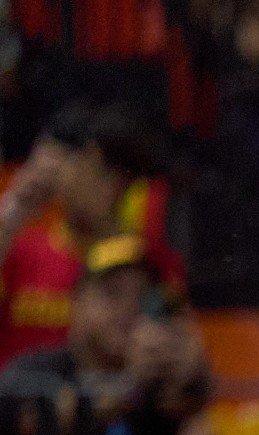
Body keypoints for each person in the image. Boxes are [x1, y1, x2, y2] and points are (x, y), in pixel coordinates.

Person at [0, 233, 208, 435]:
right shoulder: (35, 370)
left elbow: (189, 399)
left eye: (142, 298)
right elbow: (44, 419)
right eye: (112, 293)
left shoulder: (150, 379)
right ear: (78, 301)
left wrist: (192, 364)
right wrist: (129, 388)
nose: (128, 308)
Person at [0, 102, 184, 368]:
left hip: (106, 403)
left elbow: (178, 355)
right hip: (21, 401)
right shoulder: (21, 249)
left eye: (121, 179)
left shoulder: (143, 266)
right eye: (99, 170)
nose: (111, 189)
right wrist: (15, 208)